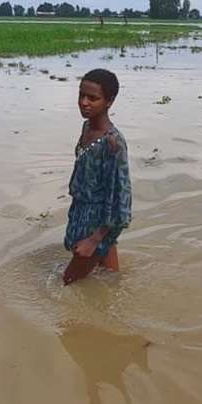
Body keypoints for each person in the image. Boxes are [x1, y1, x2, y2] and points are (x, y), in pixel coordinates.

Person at [62, 68, 132, 285]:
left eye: (93, 98)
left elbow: (121, 199)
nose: (84, 102)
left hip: (97, 223)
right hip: (82, 212)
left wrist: (94, 239)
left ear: (109, 101)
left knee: (68, 281)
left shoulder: (112, 143)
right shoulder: (87, 128)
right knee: (111, 280)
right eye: (81, 95)